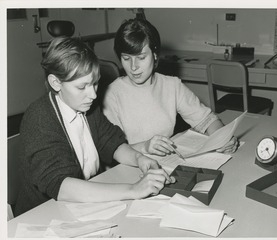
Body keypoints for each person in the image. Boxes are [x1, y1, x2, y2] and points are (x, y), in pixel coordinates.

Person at [14, 36, 173, 216]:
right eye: (82, 87)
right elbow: (62, 186)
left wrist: (139, 159)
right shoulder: (40, 118)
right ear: (56, 83)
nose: (93, 95)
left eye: (95, 83)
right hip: (43, 216)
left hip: (80, 206)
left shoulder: (86, 107)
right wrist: (134, 190)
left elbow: (111, 142)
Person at [103, 18, 238, 156]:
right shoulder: (112, 94)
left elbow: (207, 119)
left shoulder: (171, 86)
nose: (133, 67)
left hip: (165, 164)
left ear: (155, 55)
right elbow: (112, 148)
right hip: (126, 169)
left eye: (141, 58)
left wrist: (223, 138)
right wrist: (145, 147)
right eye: (126, 58)